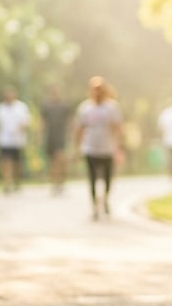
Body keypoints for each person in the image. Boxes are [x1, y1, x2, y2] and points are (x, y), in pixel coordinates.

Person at [72, 76, 123, 221]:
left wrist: (118, 146)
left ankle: (105, 199)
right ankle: (94, 206)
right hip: (90, 148)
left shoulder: (112, 107)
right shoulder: (85, 108)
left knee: (107, 179)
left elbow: (117, 128)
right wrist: (76, 148)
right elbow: (79, 129)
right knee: (92, 179)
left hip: (107, 148)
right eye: (94, 90)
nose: (97, 93)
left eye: (100, 90)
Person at [0, 86, 31, 193]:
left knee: (16, 164)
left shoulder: (21, 107)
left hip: (17, 141)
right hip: (4, 140)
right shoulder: (0, 108)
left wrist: (22, 132)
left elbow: (26, 123)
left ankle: (17, 181)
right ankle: (6, 183)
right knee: (5, 162)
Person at [39, 85, 72, 195]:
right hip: (50, 137)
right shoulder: (46, 106)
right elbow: (43, 122)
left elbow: (70, 121)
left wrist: (71, 134)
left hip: (61, 136)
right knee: (53, 162)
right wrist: (40, 136)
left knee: (61, 159)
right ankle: (54, 183)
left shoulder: (64, 106)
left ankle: (61, 182)